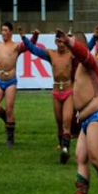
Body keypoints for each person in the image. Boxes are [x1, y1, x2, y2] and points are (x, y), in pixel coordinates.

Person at [56, 29, 98, 194]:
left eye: (70, 43)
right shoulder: (79, 65)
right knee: (81, 157)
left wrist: (70, 43)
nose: (67, 46)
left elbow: (83, 53)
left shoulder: (89, 62)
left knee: (96, 158)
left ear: (80, 45)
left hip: (97, 116)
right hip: (87, 120)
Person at [19, 27, 74, 164]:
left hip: (68, 91)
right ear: (55, 42)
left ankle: (66, 149)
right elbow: (34, 50)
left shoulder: (71, 54)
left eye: (63, 41)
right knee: (59, 122)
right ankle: (62, 146)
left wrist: (95, 37)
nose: (61, 44)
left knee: (67, 121)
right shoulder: (51, 54)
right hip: (56, 92)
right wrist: (24, 38)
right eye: (59, 41)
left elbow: (85, 50)